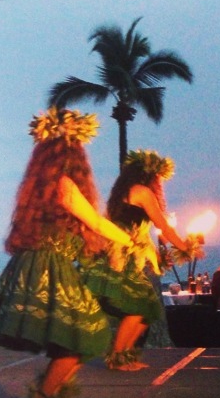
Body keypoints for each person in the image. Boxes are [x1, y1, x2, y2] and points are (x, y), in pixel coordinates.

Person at [0, 108, 135, 398]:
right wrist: (129, 241)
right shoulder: (65, 184)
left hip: (43, 266)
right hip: (48, 269)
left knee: (80, 335)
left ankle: (51, 395)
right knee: (85, 335)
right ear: (73, 155)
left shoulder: (43, 189)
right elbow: (95, 221)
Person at [82, 149, 199, 371]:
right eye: (159, 177)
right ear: (150, 174)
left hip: (129, 254)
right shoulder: (142, 192)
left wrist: (158, 255)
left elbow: (144, 230)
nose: (160, 182)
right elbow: (162, 225)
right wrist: (186, 247)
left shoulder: (123, 193)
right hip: (127, 258)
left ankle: (124, 355)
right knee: (138, 310)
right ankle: (117, 357)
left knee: (148, 311)